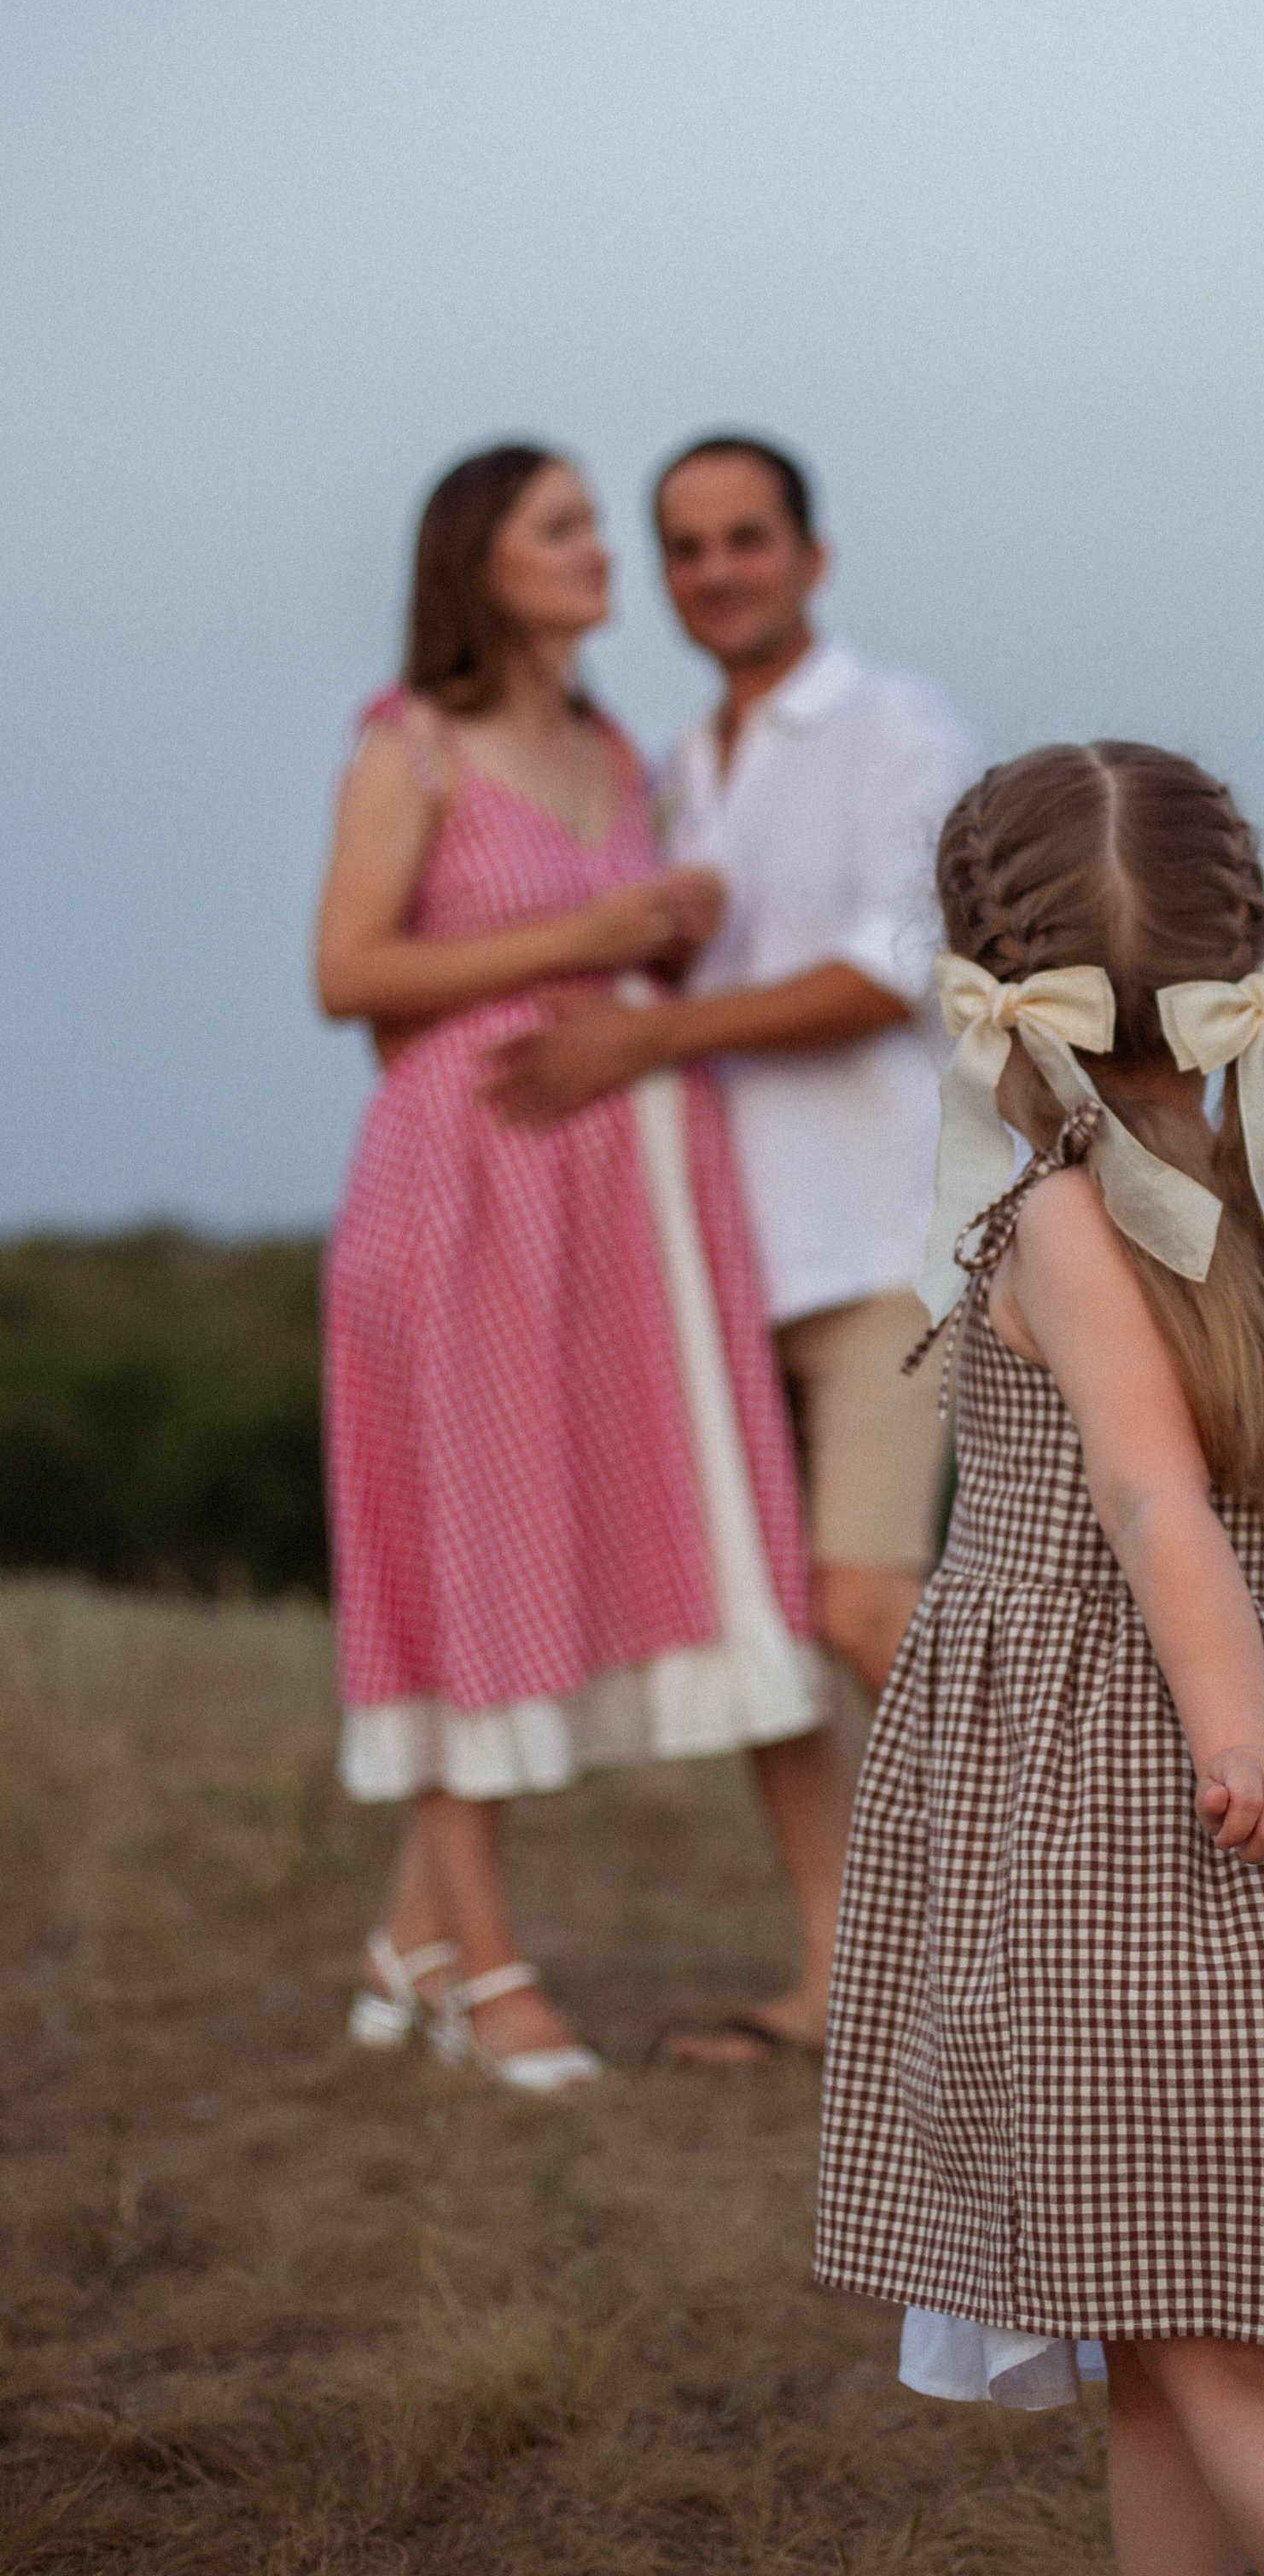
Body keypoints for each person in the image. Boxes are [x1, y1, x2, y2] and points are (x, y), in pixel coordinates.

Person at [813, 742, 1264, 2576]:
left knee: (1221, 2372)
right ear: (1240, 946)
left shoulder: (1048, 1207)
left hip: (1121, 1819)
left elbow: (1148, 1505)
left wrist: (1232, 1742)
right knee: (1166, 2327)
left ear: (982, 965)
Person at [315, 444, 845, 2089]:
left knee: (572, 1544)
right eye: (564, 529)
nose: (603, 554)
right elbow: (352, 977)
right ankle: (492, 1978)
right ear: (480, 562)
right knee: (465, 1545)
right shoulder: (408, 748)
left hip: (620, 1221)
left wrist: (663, 927)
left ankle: (416, 1942)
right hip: (461, 1197)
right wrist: (580, 941)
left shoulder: (621, 753)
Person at [486, 435, 978, 1707]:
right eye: (688, 548)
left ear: (811, 556)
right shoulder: (671, 770)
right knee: (767, 1641)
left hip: (885, 1246)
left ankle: (1086, 1890)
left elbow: (891, 973)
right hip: (722, 1254)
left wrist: (647, 1037)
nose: (718, 571)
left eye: (746, 539)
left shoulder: (897, 724)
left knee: (868, 1604)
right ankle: (853, 1917)